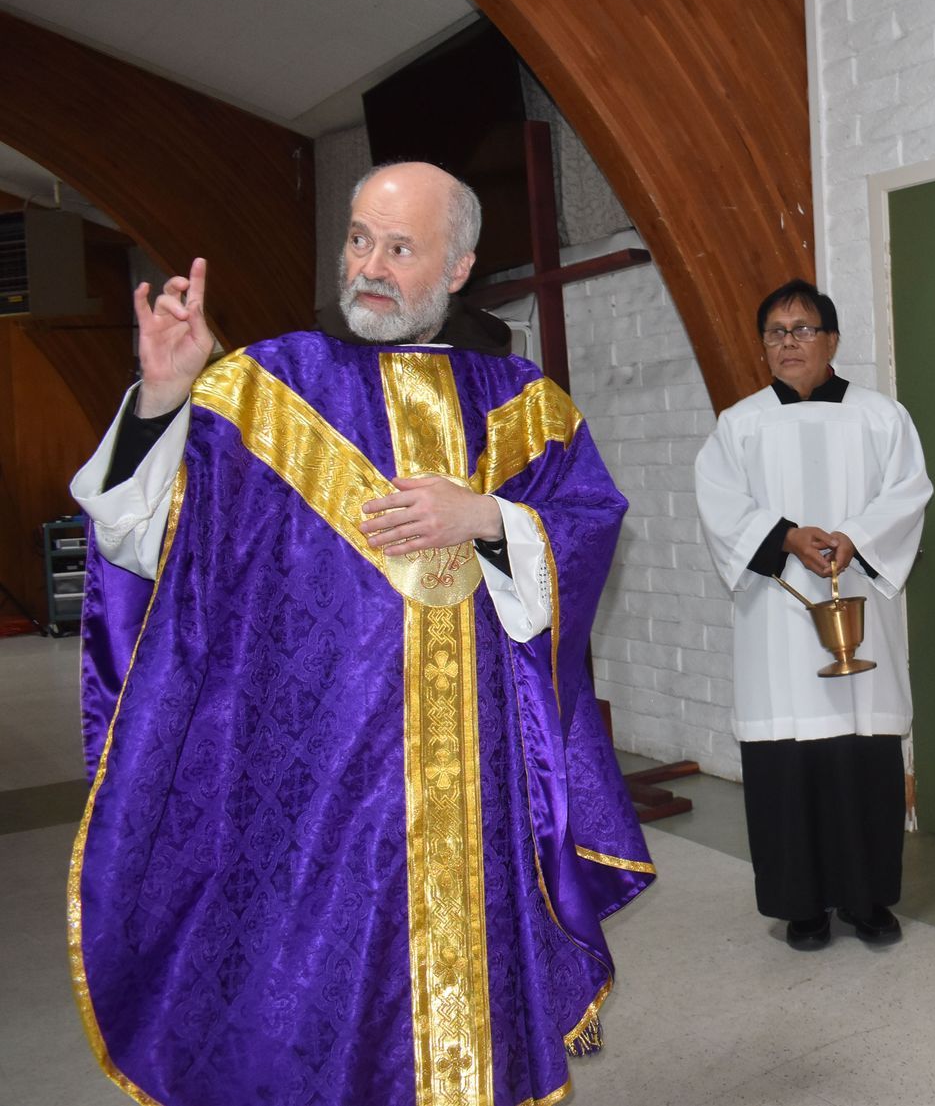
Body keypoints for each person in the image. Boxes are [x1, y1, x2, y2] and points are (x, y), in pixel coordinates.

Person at [68, 162, 653, 1106]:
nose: (370, 266)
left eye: (400, 247)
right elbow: (143, 540)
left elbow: (586, 527)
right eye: (358, 239)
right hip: (301, 780)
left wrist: (488, 518)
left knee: (470, 1007)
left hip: (473, 785)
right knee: (310, 1003)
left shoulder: (523, 405)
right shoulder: (265, 389)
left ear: (457, 267)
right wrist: (164, 398)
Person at [693, 280, 932, 950]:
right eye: (776, 331)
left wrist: (855, 536)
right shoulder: (740, 424)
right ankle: (801, 905)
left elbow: (909, 492)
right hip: (777, 615)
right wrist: (786, 537)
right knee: (786, 759)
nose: (788, 342)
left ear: (831, 340)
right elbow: (719, 504)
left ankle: (868, 899)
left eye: (802, 329)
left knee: (863, 753)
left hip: (857, 600)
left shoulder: (881, 417)